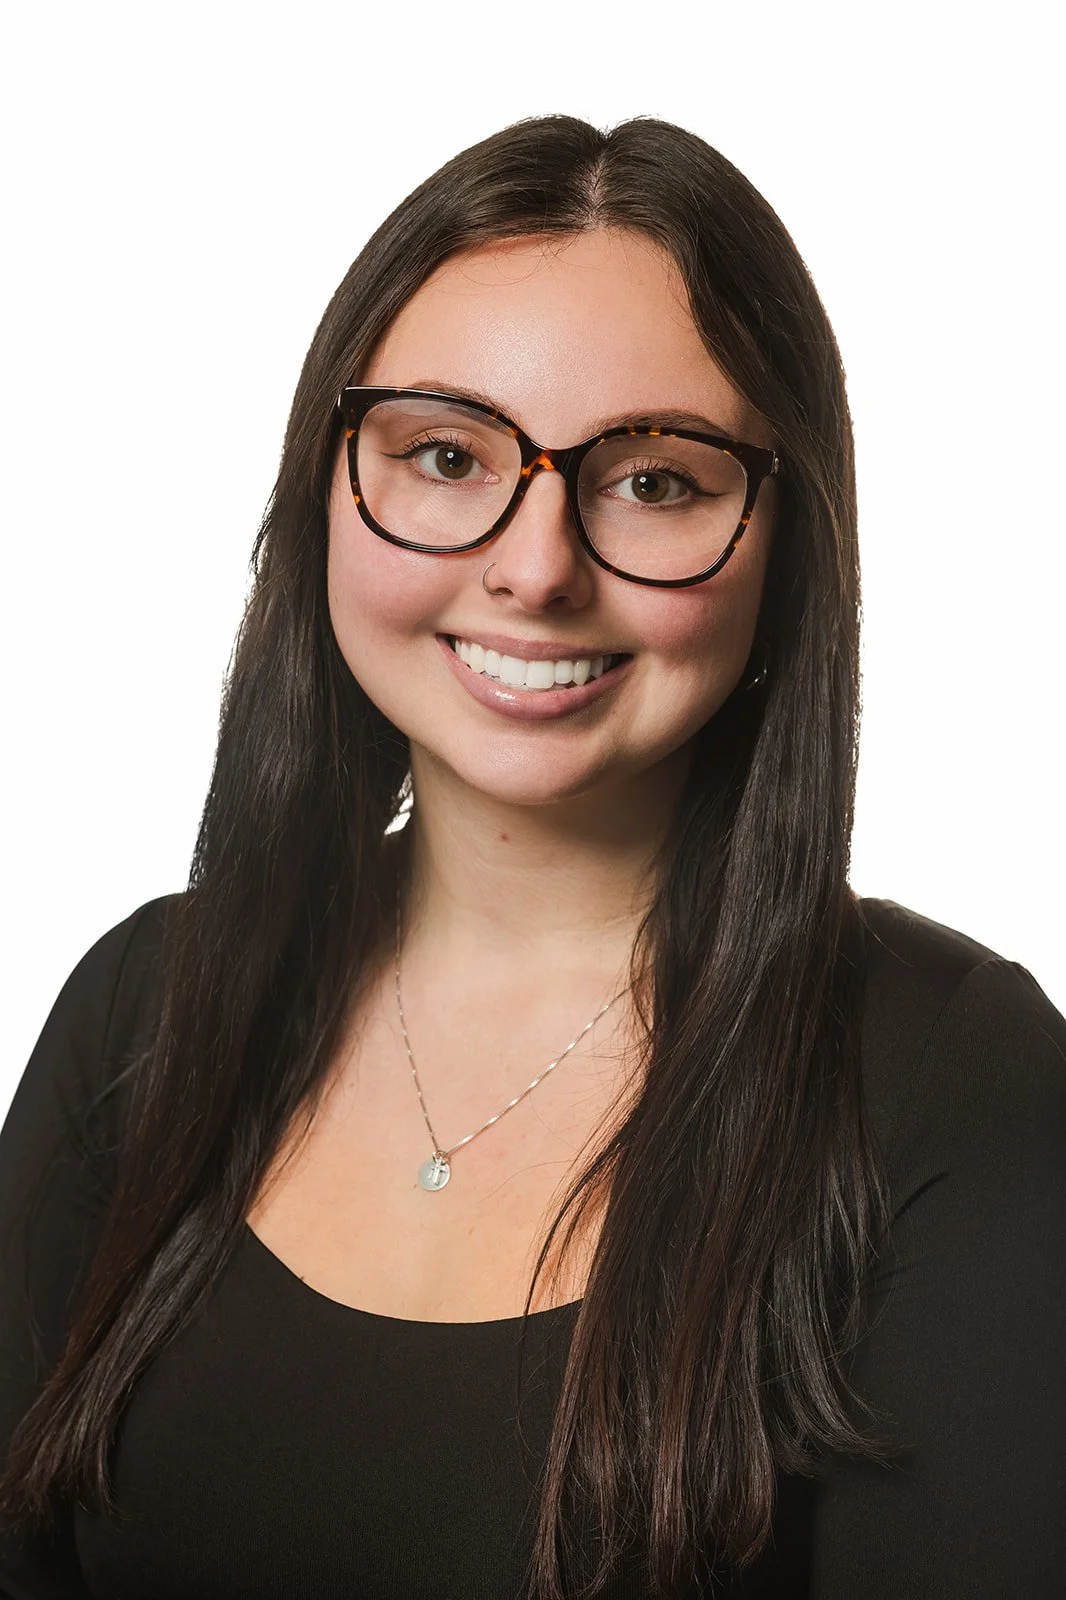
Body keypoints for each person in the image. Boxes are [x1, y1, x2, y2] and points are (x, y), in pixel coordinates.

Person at [1, 114, 1063, 1600]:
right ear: (323, 490)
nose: (537, 566)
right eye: (447, 455)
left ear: (786, 546)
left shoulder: (959, 1077)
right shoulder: (144, 1004)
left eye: (655, 481)